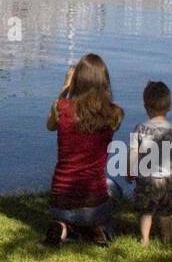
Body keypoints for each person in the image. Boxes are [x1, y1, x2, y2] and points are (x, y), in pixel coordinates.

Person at [45, 53, 125, 246]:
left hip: (60, 201)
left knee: (67, 211)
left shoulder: (61, 107)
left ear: (76, 81)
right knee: (114, 188)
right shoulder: (114, 113)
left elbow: (50, 126)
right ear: (104, 82)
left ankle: (63, 227)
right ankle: (98, 229)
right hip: (93, 203)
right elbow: (112, 125)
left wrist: (65, 90)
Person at [127, 80, 172, 245]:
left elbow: (133, 152)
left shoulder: (140, 128)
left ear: (146, 106)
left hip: (147, 179)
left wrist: (130, 171)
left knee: (146, 212)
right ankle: (167, 238)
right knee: (165, 213)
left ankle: (144, 239)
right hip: (168, 180)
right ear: (169, 106)